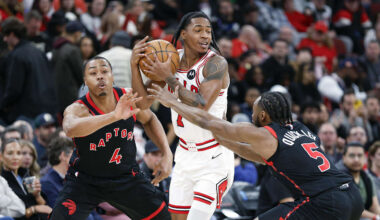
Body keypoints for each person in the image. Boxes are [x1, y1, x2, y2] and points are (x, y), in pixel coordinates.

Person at [148, 87, 364, 220]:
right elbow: (260, 156)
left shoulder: (265, 134)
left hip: (325, 201)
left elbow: (208, 121)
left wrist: (173, 103)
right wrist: (224, 142)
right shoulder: (300, 128)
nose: (250, 113)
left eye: (253, 109)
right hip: (352, 196)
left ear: (262, 115)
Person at [132, 11, 235, 220]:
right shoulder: (170, 59)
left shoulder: (216, 64)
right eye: (198, 31)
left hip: (214, 154)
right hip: (185, 153)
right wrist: (134, 66)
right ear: (183, 35)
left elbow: (202, 104)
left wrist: (169, 79)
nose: (205, 36)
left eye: (208, 31)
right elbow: (142, 102)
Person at [48, 56, 172, 220]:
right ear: (85, 81)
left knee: (164, 217)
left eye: (105, 71)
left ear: (112, 76)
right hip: (85, 180)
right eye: (93, 73)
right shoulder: (78, 109)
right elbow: (70, 129)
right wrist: (114, 116)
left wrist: (167, 153)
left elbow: (149, 119)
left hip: (126, 177)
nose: (100, 76)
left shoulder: (127, 97)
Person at [1, 139, 52, 220]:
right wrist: (34, 209)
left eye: (19, 153)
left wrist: (37, 196)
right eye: (10, 153)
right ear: (1, 156)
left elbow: (45, 207)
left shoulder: (26, 176)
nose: (15, 157)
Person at [336, 142, 380, 219]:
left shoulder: (367, 178)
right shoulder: (338, 178)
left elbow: (375, 206)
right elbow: (351, 208)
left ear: (365, 158)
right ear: (344, 157)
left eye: (360, 155)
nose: (356, 159)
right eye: (352, 155)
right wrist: (375, 217)